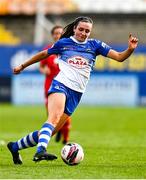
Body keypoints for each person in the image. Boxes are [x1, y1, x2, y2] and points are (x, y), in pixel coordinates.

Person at [7, 16, 138, 164]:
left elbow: (120, 57)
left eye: (87, 31)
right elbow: (44, 54)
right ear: (74, 28)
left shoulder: (95, 45)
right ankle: (40, 151)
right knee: (53, 118)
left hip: (76, 94)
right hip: (60, 85)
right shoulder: (64, 43)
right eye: (81, 29)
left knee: (52, 130)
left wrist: (130, 49)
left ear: (90, 32)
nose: (83, 33)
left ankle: (15, 146)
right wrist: (23, 66)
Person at [39, 25, 71, 144]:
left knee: (65, 113)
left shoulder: (69, 49)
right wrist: (44, 70)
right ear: (52, 35)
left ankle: (65, 138)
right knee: (51, 113)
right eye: (56, 33)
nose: (58, 35)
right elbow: (41, 67)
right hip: (50, 85)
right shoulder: (48, 50)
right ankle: (57, 131)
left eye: (60, 33)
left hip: (65, 86)